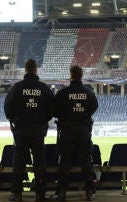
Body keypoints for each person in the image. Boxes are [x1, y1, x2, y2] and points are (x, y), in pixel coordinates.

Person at [4, 59, 54, 202]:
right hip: (38, 130)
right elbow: (51, 110)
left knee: (19, 162)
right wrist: (42, 121)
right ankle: (40, 194)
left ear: (25, 70)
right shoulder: (44, 88)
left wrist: (15, 120)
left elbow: (7, 109)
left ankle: (17, 194)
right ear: (36, 70)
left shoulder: (17, 87)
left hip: (20, 130)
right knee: (39, 163)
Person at [52, 65, 98, 201]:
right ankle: (89, 191)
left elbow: (54, 111)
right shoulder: (89, 93)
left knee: (64, 162)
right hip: (83, 130)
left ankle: (61, 192)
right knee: (86, 161)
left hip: (67, 130)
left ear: (71, 75)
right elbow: (94, 107)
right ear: (81, 75)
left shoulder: (62, 93)